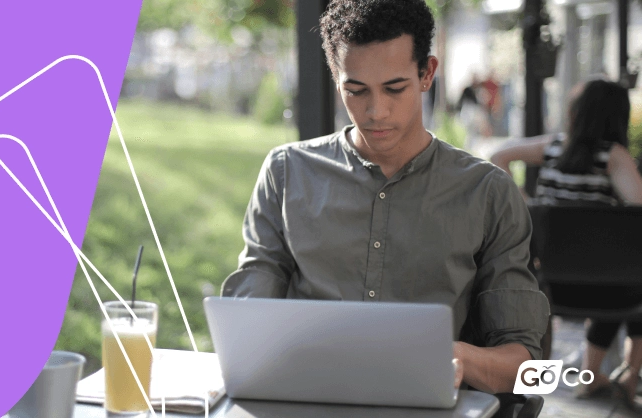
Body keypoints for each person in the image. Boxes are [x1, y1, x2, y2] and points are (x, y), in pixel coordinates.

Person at [222, 0, 549, 395]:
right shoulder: (286, 173)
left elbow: (530, 370)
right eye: (356, 90)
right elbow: (248, 325)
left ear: (427, 73)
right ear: (335, 77)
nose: (376, 111)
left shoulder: (487, 192)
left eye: (395, 88)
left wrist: (458, 356)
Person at [490, 79, 642, 406]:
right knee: (635, 280)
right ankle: (623, 376)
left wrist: (528, 205)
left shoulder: (553, 147)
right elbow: (638, 208)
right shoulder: (613, 157)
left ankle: (592, 376)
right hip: (608, 290)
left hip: (549, 285)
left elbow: (498, 156)